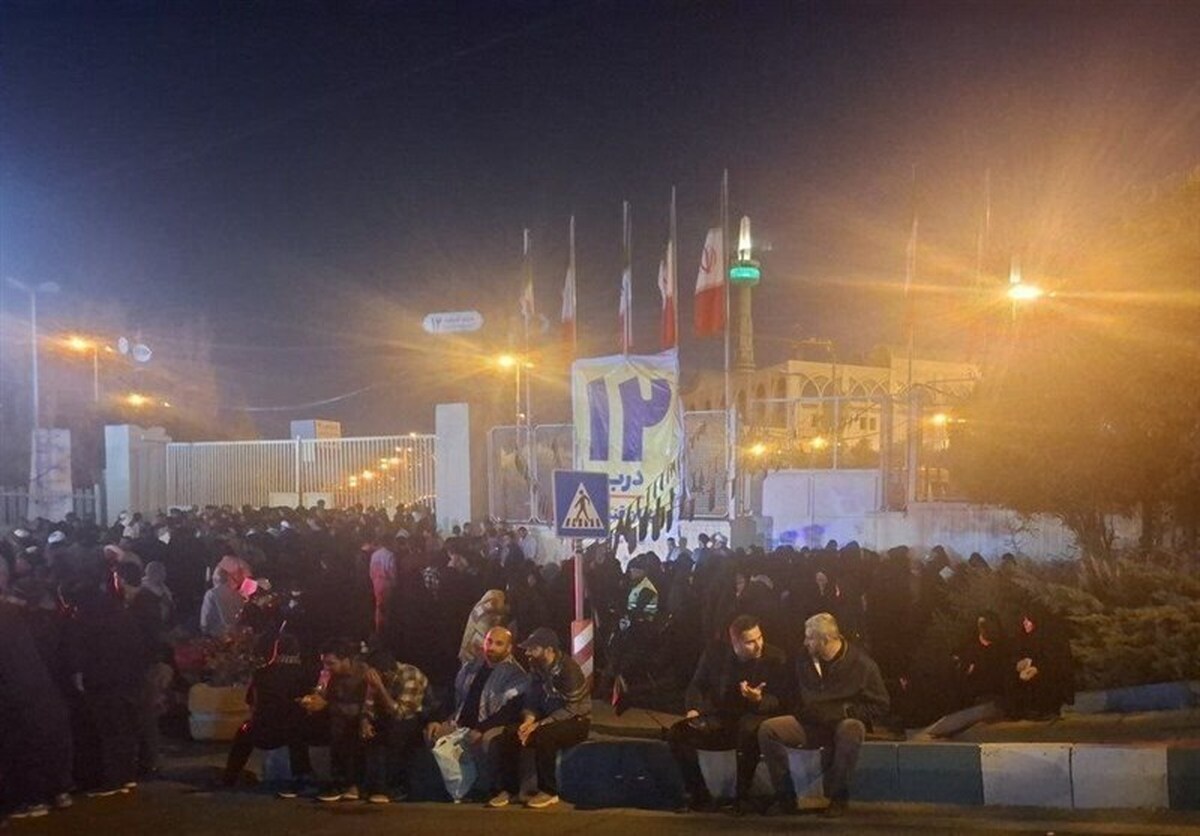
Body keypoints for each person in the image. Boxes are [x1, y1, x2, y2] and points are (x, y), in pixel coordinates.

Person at [758, 612, 890, 818]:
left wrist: (845, 712)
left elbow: (880, 705)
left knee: (852, 728)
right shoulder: (802, 659)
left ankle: (838, 797)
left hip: (842, 722)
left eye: (810, 638)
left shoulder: (862, 664)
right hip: (810, 722)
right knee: (768, 729)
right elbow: (788, 693)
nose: (805, 642)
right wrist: (798, 709)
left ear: (826, 639)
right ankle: (785, 798)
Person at [667, 614, 792, 813]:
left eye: (760, 637)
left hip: (754, 716)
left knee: (747, 728)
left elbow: (781, 700)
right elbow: (697, 685)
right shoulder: (716, 654)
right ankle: (699, 795)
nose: (758, 645)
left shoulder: (775, 658)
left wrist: (758, 699)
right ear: (735, 643)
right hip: (721, 716)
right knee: (677, 733)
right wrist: (693, 709)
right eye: (750, 642)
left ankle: (742, 797)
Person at [488, 627, 590, 810]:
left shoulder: (568, 670)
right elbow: (532, 699)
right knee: (510, 734)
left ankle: (549, 791)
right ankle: (509, 790)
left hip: (576, 721)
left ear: (549, 650)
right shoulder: (536, 667)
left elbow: (572, 709)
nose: (528, 653)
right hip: (546, 718)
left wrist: (539, 724)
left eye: (533, 648)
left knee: (545, 736)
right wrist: (528, 721)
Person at [425, 627, 528, 801]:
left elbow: (509, 710)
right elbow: (453, 695)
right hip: (460, 722)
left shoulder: (515, 674)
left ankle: (483, 789)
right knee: (432, 732)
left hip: (490, 723)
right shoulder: (471, 667)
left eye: (499, 644)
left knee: (486, 739)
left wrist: (482, 728)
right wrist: (436, 719)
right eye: (489, 641)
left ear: (509, 648)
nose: (491, 647)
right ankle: (450, 789)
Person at [221, 633, 315, 794]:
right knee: (299, 730)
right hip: (291, 730)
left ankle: (230, 776)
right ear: (297, 651)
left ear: (276, 650)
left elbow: (250, 700)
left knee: (243, 731)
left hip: (261, 730)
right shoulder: (304, 673)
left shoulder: (261, 673)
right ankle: (302, 776)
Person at [301, 639, 369, 803]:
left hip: (359, 719)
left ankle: (352, 784)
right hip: (335, 718)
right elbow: (322, 695)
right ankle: (319, 777)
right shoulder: (329, 675)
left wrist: (327, 705)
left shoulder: (363, 674)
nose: (327, 667)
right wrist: (312, 701)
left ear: (346, 659)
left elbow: (364, 707)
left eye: (331, 663)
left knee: (347, 732)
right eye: (324, 663)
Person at [360, 649, 431, 804]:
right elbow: (369, 704)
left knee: (395, 731)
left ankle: (394, 787)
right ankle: (371, 786)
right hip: (390, 714)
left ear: (385, 673)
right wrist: (365, 721)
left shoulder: (410, 675)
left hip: (415, 717)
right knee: (367, 732)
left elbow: (401, 713)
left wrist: (380, 687)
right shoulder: (375, 677)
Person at [199, 567, 244, 638]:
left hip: (217, 635)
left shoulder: (211, 594)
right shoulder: (237, 594)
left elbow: (206, 617)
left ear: (215, 579)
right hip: (236, 633)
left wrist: (204, 631)